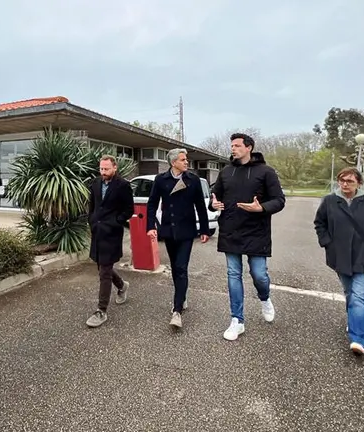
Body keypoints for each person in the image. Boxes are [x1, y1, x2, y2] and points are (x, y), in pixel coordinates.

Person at [209, 132, 286, 341]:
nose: (233, 148)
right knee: (233, 275)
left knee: (259, 275)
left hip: (256, 232)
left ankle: (265, 298)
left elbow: (279, 200)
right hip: (230, 231)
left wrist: (260, 207)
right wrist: (213, 204)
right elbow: (215, 197)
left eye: (237, 145)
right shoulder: (226, 172)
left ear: (249, 147)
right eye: (231, 145)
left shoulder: (266, 172)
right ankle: (237, 320)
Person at [313, 167, 364, 356]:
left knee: (359, 296)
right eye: (342, 180)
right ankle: (353, 320)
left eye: (350, 181)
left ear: (359, 183)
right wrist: (327, 242)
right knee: (349, 293)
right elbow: (320, 223)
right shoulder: (330, 201)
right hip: (340, 257)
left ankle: (358, 339)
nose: (345, 184)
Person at [146, 148, 211, 329]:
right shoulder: (161, 180)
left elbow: (200, 206)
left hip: (186, 231)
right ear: (173, 162)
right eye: (183, 160)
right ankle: (181, 296)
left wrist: (204, 229)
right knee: (175, 267)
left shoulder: (193, 180)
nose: (186, 162)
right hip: (168, 230)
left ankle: (176, 311)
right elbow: (152, 204)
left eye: (186, 159)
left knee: (181, 267)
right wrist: (150, 226)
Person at [85, 155, 135, 328]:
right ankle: (122, 286)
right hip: (97, 232)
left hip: (112, 233)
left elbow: (129, 209)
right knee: (101, 266)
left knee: (104, 271)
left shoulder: (123, 186)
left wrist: (116, 222)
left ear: (115, 167)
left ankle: (101, 310)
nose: (103, 172)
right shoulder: (96, 183)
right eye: (101, 169)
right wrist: (91, 220)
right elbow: (92, 205)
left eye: (106, 169)